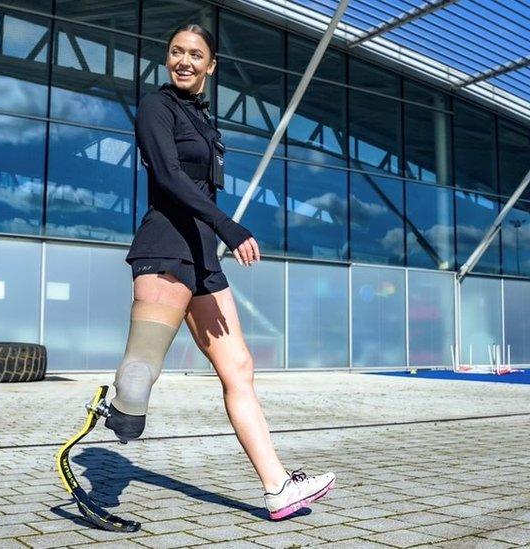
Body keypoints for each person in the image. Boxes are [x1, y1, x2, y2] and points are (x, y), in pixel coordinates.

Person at [102, 23, 335, 521]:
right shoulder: (156, 106)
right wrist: (230, 227)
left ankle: (277, 488)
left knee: (240, 369)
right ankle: (119, 412)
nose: (183, 61)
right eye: (175, 52)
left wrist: (217, 236)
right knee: (142, 370)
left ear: (211, 66)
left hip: (205, 260)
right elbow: (166, 175)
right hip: (166, 247)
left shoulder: (204, 121)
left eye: (195, 54)